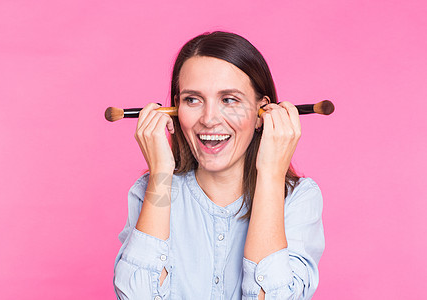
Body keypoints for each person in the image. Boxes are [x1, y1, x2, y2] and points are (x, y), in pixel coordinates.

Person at [113, 31, 325, 300]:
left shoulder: (298, 198)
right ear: (176, 108)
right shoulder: (149, 191)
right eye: (192, 99)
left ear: (263, 113)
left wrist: (271, 175)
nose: (209, 119)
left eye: (229, 100)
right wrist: (160, 176)